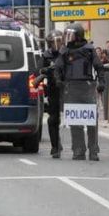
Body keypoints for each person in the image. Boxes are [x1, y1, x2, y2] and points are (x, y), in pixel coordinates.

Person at [55, 23, 106, 161]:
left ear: (78, 36)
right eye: (67, 35)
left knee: (91, 121)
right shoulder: (64, 50)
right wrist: (58, 80)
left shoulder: (89, 49)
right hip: (71, 88)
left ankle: (93, 150)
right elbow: (58, 67)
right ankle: (78, 150)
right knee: (75, 122)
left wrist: (101, 82)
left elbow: (99, 67)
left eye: (71, 35)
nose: (68, 38)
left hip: (87, 87)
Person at [41, 31, 64, 159]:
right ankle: (55, 146)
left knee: (75, 119)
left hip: (68, 88)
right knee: (53, 119)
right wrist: (47, 70)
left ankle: (80, 147)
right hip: (53, 89)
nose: (57, 44)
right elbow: (39, 70)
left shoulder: (66, 53)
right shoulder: (46, 55)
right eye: (54, 42)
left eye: (59, 41)